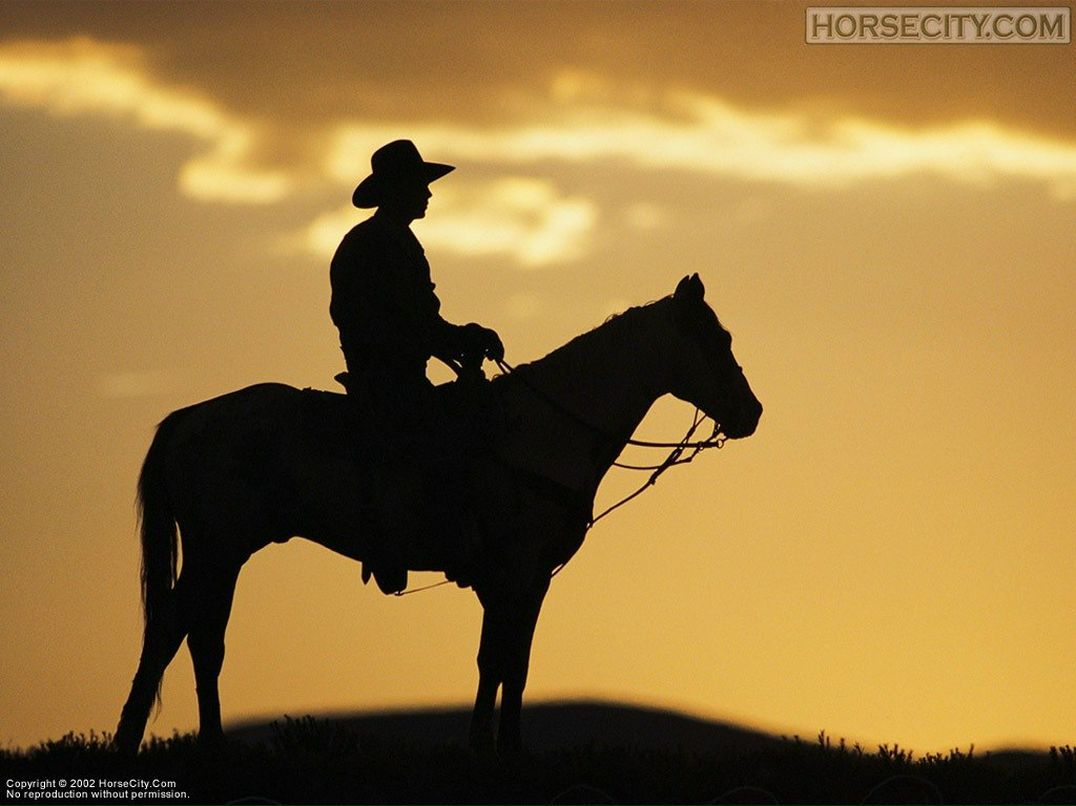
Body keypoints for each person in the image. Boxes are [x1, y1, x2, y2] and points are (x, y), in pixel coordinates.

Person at [329, 139, 503, 593]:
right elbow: (410, 320)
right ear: (398, 189)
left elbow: (418, 321)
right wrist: (461, 338)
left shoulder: (383, 241)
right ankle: (427, 541)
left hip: (392, 371)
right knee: (454, 438)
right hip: (387, 380)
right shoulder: (383, 244)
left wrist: (456, 338)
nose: (428, 194)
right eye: (420, 186)